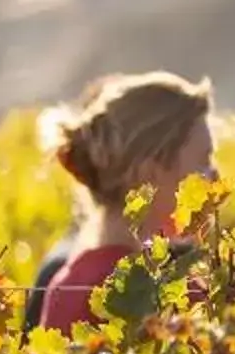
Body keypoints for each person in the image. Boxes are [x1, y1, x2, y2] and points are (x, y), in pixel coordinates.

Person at [32, 71, 218, 331]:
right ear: (150, 171)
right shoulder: (176, 297)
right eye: (204, 161)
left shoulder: (64, 286)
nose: (216, 176)